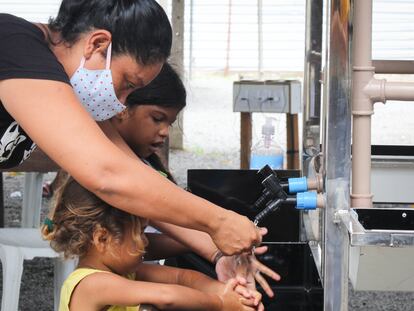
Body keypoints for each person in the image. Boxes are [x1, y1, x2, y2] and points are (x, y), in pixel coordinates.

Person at [0, 0, 262, 256]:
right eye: (128, 83)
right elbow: (107, 174)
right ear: (98, 44)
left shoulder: (64, 85)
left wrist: (213, 250)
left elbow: (133, 174)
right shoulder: (14, 45)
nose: (121, 103)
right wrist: (217, 221)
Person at [110, 62, 281, 297]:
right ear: (122, 105)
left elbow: (144, 240)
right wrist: (218, 229)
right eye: (157, 118)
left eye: (169, 123)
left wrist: (219, 248)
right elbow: (132, 248)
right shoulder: (109, 168)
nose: (165, 132)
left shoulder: (140, 166)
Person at [42, 177, 264, 311]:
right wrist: (220, 304)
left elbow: (183, 278)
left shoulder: (122, 273)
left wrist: (229, 292)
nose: (147, 241)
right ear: (102, 238)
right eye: (139, 232)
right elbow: (167, 297)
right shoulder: (91, 283)